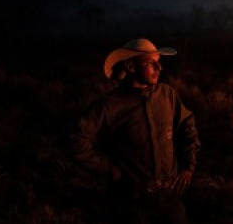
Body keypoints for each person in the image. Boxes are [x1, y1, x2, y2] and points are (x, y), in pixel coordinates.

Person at [71, 38, 201, 224]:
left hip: (171, 196)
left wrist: (188, 167)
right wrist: (111, 171)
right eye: (151, 63)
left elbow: (187, 125)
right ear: (131, 66)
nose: (159, 68)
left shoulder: (167, 95)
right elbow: (75, 139)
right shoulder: (110, 106)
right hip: (132, 202)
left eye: (159, 62)